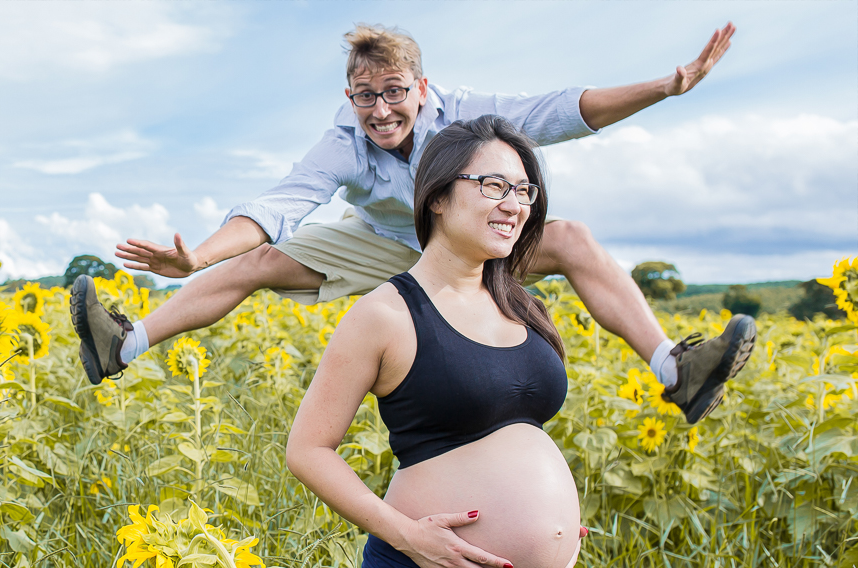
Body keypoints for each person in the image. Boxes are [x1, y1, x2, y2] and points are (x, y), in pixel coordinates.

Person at [70, 23, 755, 423]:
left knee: (573, 240)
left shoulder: (463, 113)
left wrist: (664, 88)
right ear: (351, 97)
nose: (380, 109)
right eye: (365, 95)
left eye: (394, 91)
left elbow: (561, 111)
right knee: (257, 263)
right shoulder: (345, 140)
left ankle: (677, 369)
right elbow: (281, 205)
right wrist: (201, 258)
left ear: (421, 89)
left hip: (466, 238)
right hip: (390, 244)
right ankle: (122, 347)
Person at [285, 115, 598, 568]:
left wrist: (558, 535)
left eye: (525, 189)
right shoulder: (387, 313)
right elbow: (308, 450)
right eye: (494, 184)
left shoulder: (522, 304)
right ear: (435, 196)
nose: (515, 203)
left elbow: (519, 434)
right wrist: (408, 536)